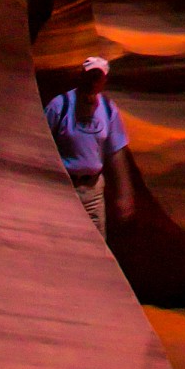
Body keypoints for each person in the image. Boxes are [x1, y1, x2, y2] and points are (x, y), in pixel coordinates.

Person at [44, 55, 136, 239]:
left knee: (97, 243)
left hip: (93, 191)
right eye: (90, 75)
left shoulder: (109, 110)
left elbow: (116, 152)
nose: (93, 81)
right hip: (65, 189)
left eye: (98, 77)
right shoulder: (60, 106)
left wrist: (124, 192)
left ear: (104, 81)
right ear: (81, 76)